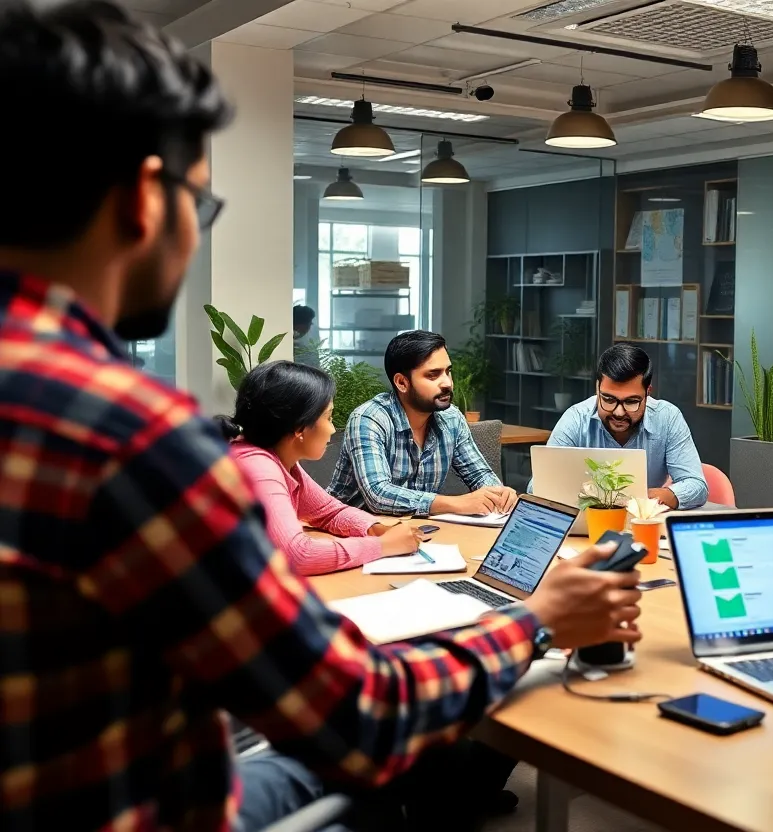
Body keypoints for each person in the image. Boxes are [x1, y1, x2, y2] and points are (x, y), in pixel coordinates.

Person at [0, 5, 642, 830]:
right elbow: (357, 710)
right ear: (142, 202)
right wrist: (539, 621)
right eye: (203, 206)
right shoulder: (126, 439)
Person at [217, 360, 425, 576]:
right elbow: (296, 556)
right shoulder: (257, 467)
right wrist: (383, 546)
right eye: (329, 417)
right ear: (300, 428)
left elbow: (328, 512)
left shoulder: (276, 459)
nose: (333, 429)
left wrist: (376, 529)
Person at [329, 330, 517, 516]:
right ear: (402, 382)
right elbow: (378, 494)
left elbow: (479, 475)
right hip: (346, 532)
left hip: (414, 531)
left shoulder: (451, 418)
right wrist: (458, 503)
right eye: (433, 375)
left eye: (448, 372)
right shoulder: (370, 418)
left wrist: (498, 494)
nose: (447, 383)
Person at [538, 344, 708, 509]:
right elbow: (538, 485)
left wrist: (660, 497)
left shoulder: (667, 418)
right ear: (597, 388)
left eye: (631, 401)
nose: (619, 412)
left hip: (643, 524)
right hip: (587, 522)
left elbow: (696, 485)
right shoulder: (576, 418)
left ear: (647, 393)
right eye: (609, 400)